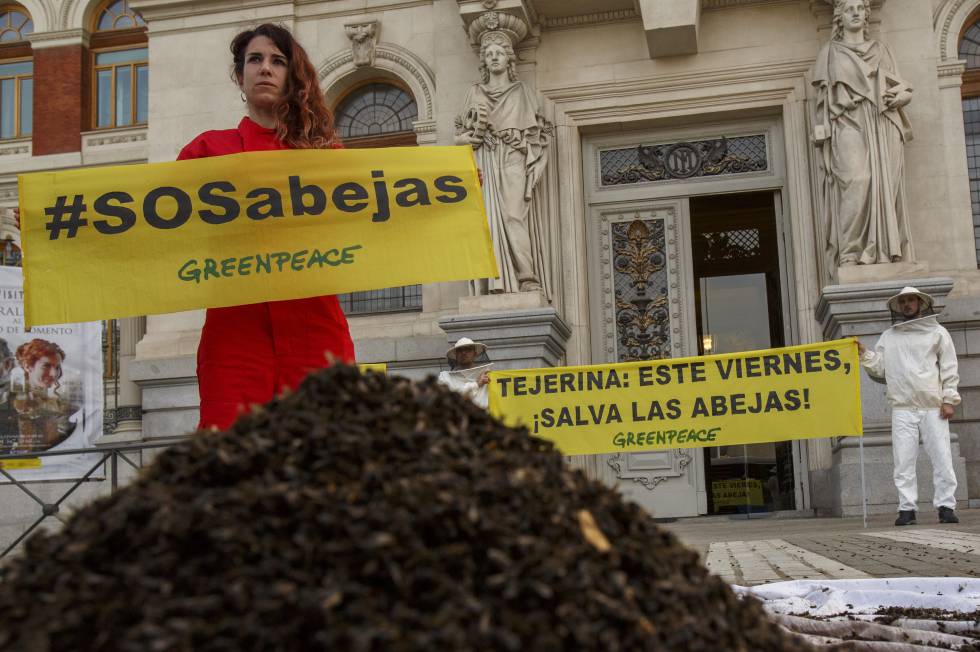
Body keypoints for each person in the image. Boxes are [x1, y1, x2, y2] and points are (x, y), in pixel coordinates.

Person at [176, 24, 355, 430]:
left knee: (327, 458)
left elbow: (385, 207)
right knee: (234, 463)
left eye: (278, 61)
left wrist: (451, 190)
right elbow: (145, 225)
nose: (265, 69)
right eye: (254, 60)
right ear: (239, 76)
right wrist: (56, 223)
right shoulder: (206, 151)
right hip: (236, 335)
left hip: (316, 330)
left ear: (293, 76)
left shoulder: (325, 154)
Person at [811, 0, 913, 266]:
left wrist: (902, 96)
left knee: (884, 184)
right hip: (846, 122)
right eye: (849, 9)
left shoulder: (881, 49)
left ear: (867, 15)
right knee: (857, 180)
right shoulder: (830, 52)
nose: (855, 13)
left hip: (881, 121)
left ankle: (881, 251)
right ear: (839, 17)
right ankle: (850, 253)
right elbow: (822, 101)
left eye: (860, 8)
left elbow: (901, 85)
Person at [454, 30, 551, 296]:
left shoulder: (522, 92)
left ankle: (526, 276)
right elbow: (458, 138)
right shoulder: (473, 93)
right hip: (485, 158)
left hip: (511, 157)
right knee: (486, 220)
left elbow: (540, 137)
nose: (494, 57)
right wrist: (473, 137)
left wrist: (521, 143)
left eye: (498, 53)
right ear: (484, 61)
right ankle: (493, 281)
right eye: (489, 54)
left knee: (512, 214)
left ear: (509, 60)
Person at [858, 287, 960, 526]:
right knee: (903, 460)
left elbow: (949, 367)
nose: (906, 304)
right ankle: (906, 509)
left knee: (942, 456)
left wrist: (948, 399)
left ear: (920, 303)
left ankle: (946, 506)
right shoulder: (889, 337)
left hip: (933, 405)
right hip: (902, 406)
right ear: (898, 306)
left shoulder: (938, 332)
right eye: (902, 301)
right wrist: (864, 354)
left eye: (910, 300)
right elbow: (880, 368)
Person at [12, 338, 75, 451]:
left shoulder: (60, 405)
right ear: (27, 366)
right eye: (46, 366)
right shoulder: (11, 401)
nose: (54, 373)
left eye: (57, 367)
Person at [437, 337, 491, 409]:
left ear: (475, 354)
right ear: (456, 355)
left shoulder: (487, 374)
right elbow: (447, 399)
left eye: (468, 349)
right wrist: (476, 384)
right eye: (460, 350)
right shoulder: (445, 377)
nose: (463, 353)